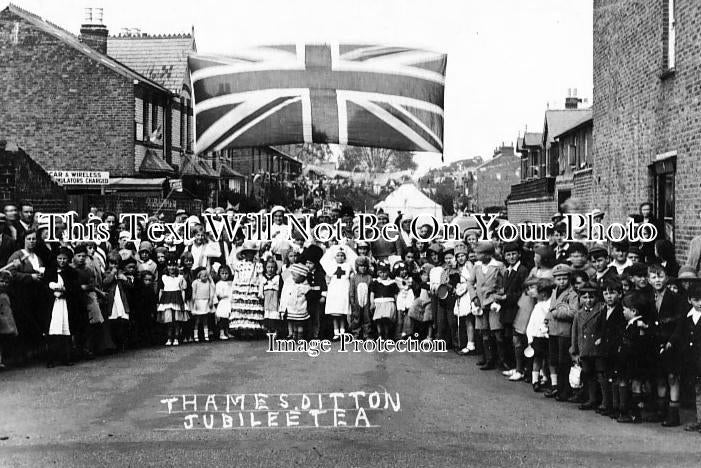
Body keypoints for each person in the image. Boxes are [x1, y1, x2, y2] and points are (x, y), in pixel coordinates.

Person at [646, 263, 685, 426]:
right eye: (653, 277)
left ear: (666, 278)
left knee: (672, 377)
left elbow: (680, 323)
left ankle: (673, 414)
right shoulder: (648, 297)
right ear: (648, 280)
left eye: (660, 276)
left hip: (671, 342)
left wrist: (671, 341)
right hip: (655, 342)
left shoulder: (675, 298)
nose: (657, 280)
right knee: (659, 376)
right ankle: (661, 411)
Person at [667, 281, 701, 433]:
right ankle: (700, 420)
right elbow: (678, 332)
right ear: (689, 300)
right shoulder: (687, 316)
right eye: (696, 300)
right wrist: (670, 343)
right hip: (693, 361)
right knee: (698, 390)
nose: (700, 303)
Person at [469, 241, 506, 371]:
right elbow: (470, 283)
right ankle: (488, 358)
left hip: (493, 303)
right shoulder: (476, 266)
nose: (476, 255)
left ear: (488, 254)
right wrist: (474, 297)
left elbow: (504, 285)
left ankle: (502, 360)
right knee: (484, 331)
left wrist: (497, 296)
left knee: (497, 331)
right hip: (480, 303)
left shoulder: (498, 266)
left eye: (479, 253)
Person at [545, 263, 579, 401]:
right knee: (555, 361)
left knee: (563, 362)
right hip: (553, 331)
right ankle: (558, 388)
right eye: (558, 279)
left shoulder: (572, 294)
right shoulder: (555, 291)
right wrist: (548, 318)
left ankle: (565, 391)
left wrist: (557, 313)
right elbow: (551, 308)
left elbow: (574, 312)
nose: (561, 281)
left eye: (564, 278)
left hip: (564, 333)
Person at [570, 281, 604, 410]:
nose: (588, 300)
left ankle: (604, 401)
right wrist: (575, 351)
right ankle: (591, 399)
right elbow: (575, 333)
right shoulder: (579, 314)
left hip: (597, 349)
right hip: (585, 348)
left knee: (601, 374)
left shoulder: (601, 310)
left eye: (591, 297)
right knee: (588, 374)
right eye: (585, 297)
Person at [596, 279, 626, 418]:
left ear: (619, 294)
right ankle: (606, 403)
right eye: (606, 293)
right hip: (604, 349)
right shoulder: (604, 310)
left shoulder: (621, 311)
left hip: (615, 349)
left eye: (612, 293)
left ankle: (616, 406)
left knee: (615, 377)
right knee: (605, 376)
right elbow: (601, 327)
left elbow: (621, 331)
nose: (609, 296)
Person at [44, 247, 79, 367]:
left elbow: (75, 288)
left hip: (65, 303)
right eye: (60, 258)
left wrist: (65, 291)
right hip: (53, 304)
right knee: (52, 331)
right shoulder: (50, 271)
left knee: (66, 330)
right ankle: (50, 359)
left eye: (65, 259)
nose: (62, 261)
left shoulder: (72, 272)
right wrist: (53, 292)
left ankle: (66, 358)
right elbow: (44, 287)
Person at [500, 242, 530, 376]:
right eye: (508, 254)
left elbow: (524, 292)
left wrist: (506, 297)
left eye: (513, 254)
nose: (511, 257)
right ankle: (515, 366)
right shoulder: (507, 271)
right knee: (510, 339)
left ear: (519, 254)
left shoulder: (522, 270)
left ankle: (521, 369)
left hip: (517, 308)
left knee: (518, 340)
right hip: (508, 310)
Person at [229, 241, 264, 338]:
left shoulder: (257, 265)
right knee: (242, 309)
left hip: (252, 287)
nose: (249, 255)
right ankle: (242, 330)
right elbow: (236, 277)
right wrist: (233, 290)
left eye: (251, 253)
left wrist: (260, 291)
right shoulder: (240, 265)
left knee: (251, 308)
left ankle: (251, 330)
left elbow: (261, 279)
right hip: (241, 287)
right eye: (247, 253)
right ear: (243, 254)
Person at [526, 277, 555, 392]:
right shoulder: (538, 306)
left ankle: (554, 382)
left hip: (548, 336)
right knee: (537, 358)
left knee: (551, 359)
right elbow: (532, 322)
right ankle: (535, 381)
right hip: (537, 337)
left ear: (543, 294)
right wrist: (530, 336)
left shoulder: (550, 305)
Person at [157, 258, 188, 346]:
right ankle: (169, 337)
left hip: (177, 299)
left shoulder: (180, 277)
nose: (172, 267)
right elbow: (161, 290)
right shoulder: (164, 277)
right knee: (169, 320)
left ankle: (176, 337)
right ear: (167, 266)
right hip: (166, 300)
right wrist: (159, 302)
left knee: (177, 320)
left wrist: (183, 301)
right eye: (170, 265)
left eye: (174, 265)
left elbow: (183, 290)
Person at [324, 247, 353, 340]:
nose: (340, 257)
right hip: (334, 290)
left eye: (342, 256)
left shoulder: (348, 266)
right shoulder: (331, 266)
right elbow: (328, 279)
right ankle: (336, 332)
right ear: (334, 257)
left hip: (344, 289)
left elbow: (350, 276)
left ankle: (343, 331)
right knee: (335, 312)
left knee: (342, 311)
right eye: (338, 255)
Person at [279, 263, 311, 340]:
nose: (293, 278)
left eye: (295, 276)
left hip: (300, 308)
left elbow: (309, 289)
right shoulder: (291, 283)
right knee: (294, 323)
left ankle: (300, 337)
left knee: (299, 325)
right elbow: (285, 275)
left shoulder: (303, 286)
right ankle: (294, 336)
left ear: (302, 277)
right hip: (292, 309)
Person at [370, 261, 399, 339]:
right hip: (378, 303)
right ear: (378, 273)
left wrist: (397, 304)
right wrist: (372, 303)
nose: (383, 274)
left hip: (389, 303)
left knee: (386, 319)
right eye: (380, 272)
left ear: (388, 272)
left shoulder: (392, 283)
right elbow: (372, 293)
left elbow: (396, 295)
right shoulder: (375, 282)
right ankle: (380, 334)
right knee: (378, 319)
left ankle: (387, 334)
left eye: (385, 272)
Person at [349, 256, 374, 339]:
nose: (362, 268)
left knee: (367, 316)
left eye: (364, 266)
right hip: (356, 301)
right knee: (356, 316)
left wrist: (371, 302)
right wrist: (352, 301)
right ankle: (356, 333)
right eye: (360, 266)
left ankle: (367, 334)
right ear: (357, 267)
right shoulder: (354, 278)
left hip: (367, 301)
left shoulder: (369, 278)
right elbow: (351, 290)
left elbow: (371, 291)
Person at [259, 257, 283, 339]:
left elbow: (280, 287)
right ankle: (268, 330)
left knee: (274, 313)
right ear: (265, 268)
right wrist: (260, 294)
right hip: (266, 296)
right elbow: (261, 287)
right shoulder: (263, 278)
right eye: (268, 267)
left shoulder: (277, 277)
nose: (270, 269)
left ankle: (275, 330)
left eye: (272, 267)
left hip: (274, 296)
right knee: (267, 313)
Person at [190, 266, 215, 342]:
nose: (206, 277)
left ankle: (206, 335)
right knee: (197, 320)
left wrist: (210, 300)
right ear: (199, 275)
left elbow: (211, 291)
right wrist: (194, 303)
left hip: (206, 302)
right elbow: (193, 293)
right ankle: (195, 335)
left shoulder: (208, 282)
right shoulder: (195, 283)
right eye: (204, 275)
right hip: (198, 302)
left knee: (205, 320)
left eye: (207, 275)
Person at [0, 270, 17, 369]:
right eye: (1, 281)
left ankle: (0, 360)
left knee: (1, 341)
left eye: (6, 282)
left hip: (4, 320)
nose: (4, 284)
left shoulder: (6, 294)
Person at [394, 261, 415, 340]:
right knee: (400, 318)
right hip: (400, 300)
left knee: (408, 317)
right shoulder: (396, 280)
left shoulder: (410, 279)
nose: (404, 272)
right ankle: (398, 334)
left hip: (409, 299)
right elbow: (395, 292)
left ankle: (408, 333)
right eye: (401, 270)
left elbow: (414, 289)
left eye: (405, 270)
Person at [214, 265, 233, 340]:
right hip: (223, 302)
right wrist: (223, 296)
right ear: (219, 274)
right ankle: (221, 333)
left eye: (226, 273)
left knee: (228, 318)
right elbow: (218, 294)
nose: (225, 275)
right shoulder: (219, 283)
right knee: (222, 317)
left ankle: (227, 332)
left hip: (230, 301)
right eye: (223, 273)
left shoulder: (230, 283)